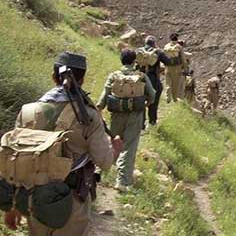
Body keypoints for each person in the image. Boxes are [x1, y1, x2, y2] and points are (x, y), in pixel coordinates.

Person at [3, 52, 122, 235]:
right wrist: (115, 149)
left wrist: (13, 205)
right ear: (82, 79)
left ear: (53, 77)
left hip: (33, 198)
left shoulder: (28, 111)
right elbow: (104, 162)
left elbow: (15, 159)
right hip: (72, 200)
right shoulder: (88, 117)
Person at [97, 49, 155, 192]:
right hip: (135, 115)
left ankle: (98, 170)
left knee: (113, 142)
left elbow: (104, 95)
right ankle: (122, 181)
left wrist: (99, 108)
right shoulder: (141, 76)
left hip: (117, 114)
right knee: (129, 146)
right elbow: (152, 94)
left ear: (121, 60)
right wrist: (145, 104)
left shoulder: (114, 76)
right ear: (134, 61)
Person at [136, 35, 171, 127]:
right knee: (153, 102)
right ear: (154, 43)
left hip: (140, 79)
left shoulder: (138, 51)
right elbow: (168, 62)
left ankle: (141, 124)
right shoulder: (158, 52)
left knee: (140, 100)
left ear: (145, 43)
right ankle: (152, 122)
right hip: (153, 80)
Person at [163, 33, 188, 102]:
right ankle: (174, 99)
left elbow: (164, 57)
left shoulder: (166, 46)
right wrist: (185, 68)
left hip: (167, 67)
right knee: (175, 84)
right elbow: (183, 59)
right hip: (176, 68)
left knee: (168, 83)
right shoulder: (179, 47)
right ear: (177, 39)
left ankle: (168, 97)